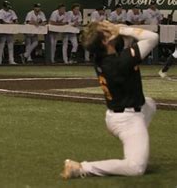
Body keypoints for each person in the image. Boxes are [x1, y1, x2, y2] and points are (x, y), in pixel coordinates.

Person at [61, 21, 158, 179]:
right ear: (105, 41)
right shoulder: (120, 62)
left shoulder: (102, 56)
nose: (110, 26)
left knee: (150, 104)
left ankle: (136, 142)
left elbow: (119, 46)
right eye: (105, 29)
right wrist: (122, 29)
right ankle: (81, 167)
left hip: (122, 112)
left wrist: (116, 31)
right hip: (127, 119)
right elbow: (153, 37)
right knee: (136, 168)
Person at [0, 1, 18, 65]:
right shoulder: (0, 12)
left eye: (8, 7)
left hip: (10, 30)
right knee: (1, 46)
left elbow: (16, 20)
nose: (8, 8)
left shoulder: (12, 11)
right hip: (2, 31)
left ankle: (11, 60)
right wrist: (9, 23)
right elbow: (0, 21)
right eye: (6, 7)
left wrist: (14, 22)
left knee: (11, 46)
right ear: (3, 6)